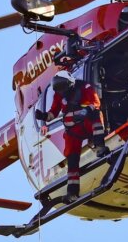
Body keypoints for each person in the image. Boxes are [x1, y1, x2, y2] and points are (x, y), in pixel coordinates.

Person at [35, 71, 109, 201]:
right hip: (73, 130)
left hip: (87, 122)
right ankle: (72, 192)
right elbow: (53, 112)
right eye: (58, 88)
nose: (61, 91)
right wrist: (43, 116)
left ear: (70, 83)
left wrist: (86, 110)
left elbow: (96, 102)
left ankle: (100, 147)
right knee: (72, 159)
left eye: (62, 87)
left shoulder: (84, 87)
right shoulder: (58, 96)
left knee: (96, 115)